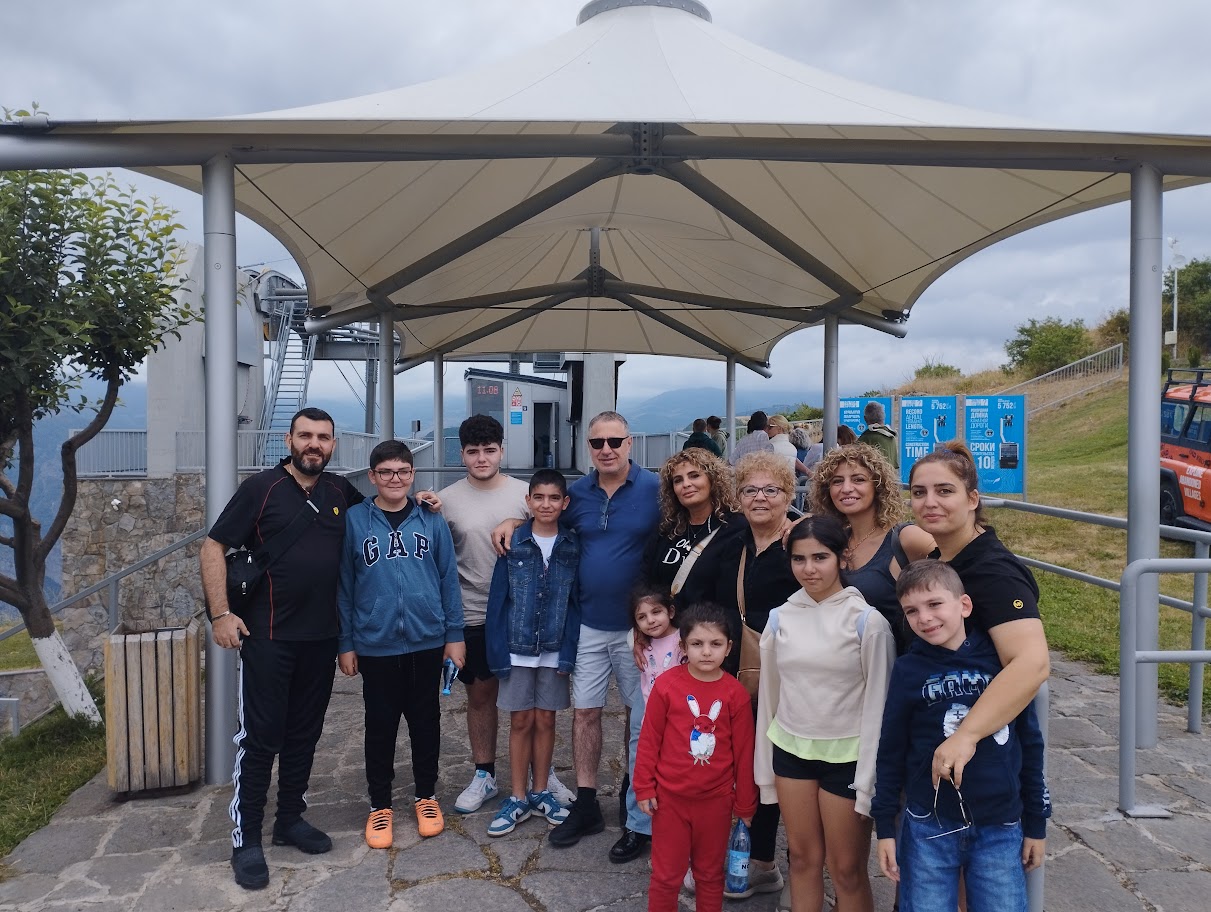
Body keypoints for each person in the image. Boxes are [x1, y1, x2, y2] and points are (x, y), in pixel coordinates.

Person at [200, 407, 363, 891]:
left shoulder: (339, 491)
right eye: (306, 435)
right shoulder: (261, 489)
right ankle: (246, 839)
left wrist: (423, 502)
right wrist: (220, 613)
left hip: (321, 638)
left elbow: (380, 516)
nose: (315, 444)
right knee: (261, 737)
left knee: (305, 735)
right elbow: (213, 547)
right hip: (267, 636)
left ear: (334, 444)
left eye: (324, 437)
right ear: (290, 439)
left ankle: (289, 819)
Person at [495, 411, 660, 863]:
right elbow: (543, 516)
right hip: (586, 623)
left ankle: (637, 810)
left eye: (614, 440)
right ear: (588, 446)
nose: (605, 449)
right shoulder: (579, 494)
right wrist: (513, 522)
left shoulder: (656, 488)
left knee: (638, 716)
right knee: (584, 714)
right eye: (597, 442)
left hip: (638, 629)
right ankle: (586, 803)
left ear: (630, 442)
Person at [873, 561, 1050, 912]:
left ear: (964, 605)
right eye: (912, 610)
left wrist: (1037, 823)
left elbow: (1030, 745)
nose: (924, 617)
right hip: (929, 826)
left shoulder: (1002, 665)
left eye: (935, 604)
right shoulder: (909, 670)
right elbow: (891, 750)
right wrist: (885, 829)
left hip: (1000, 825)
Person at [755, 516, 895, 912]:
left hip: (847, 760)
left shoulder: (867, 623)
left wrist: (869, 781)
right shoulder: (780, 617)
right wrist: (764, 771)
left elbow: (879, 707)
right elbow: (771, 696)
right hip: (792, 753)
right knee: (801, 859)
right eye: (799, 559)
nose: (809, 569)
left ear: (842, 558)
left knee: (847, 869)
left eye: (820, 557)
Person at [439, 415, 572, 814]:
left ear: (502, 450)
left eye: (489, 449)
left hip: (529, 618)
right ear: (461, 453)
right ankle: (484, 773)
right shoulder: (445, 500)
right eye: (473, 451)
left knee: (534, 705)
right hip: (474, 612)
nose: (482, 458)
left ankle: (541, 776)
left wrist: (518, 518)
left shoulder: (525, 494)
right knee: (480, 696)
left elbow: (553, 522)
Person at [337, 440, 464, 848]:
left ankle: (425, 796)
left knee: (426, 723)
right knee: (380, 726)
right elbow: (344, 586)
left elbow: (448, 579)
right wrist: (346, 642)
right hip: (376, 644)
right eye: (386, 472)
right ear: (372, 476)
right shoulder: (356, 521)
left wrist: (454, 636)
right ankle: (380, 805)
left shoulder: (430, 519)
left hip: (427, 641)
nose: (395, 479)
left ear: (413, 475)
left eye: (403, 472)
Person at [908, 441, 1050, 789]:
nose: (930, 502)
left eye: (944, 491)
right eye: (918, 492)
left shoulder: (994, 572)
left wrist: (965, 735)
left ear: (972, 500)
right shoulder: (942, 561)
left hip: (976, 756)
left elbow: (1032, 663)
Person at [693, 451, 800, 901]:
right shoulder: (734, 540)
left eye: (770, 490)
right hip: (738, 672)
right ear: (737, 498)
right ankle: (746, 855)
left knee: (776, 767)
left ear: (788, 496)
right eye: (750, 490)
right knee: (742, 764)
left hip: (791, 675)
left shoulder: (801, 539)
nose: (760, 498)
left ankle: (767, 863)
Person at [634, 602, 758, 912]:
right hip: (670, 801)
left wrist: (745, 803)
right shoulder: (667, 686)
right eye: (697, 644)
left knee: (710, 875)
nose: (706, 652)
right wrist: (644, 787)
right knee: (666, 876)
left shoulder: (735, 694)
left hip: (715, 803)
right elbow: (649, 739)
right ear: (683, 646)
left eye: (715, 644)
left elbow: (744, 753)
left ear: (728, 648)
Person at [483, 468, 580, 837]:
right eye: (538, 497)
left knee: (546, 720)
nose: (546, 504)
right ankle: (518, 794)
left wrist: (569, 650)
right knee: (520, 721)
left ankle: (541, 791)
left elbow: (574, 604)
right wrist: (496, 651)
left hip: (554, 649)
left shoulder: (572, 546)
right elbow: (497, 601)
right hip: (517, 648)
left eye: (554, 498)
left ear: (564, 503)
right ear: (528, 502)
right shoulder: (513, 544)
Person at [810, 443, 935, 654]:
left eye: (858, 479)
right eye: (837, 481)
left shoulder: (905, 538)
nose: (846, 488)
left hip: (897, 669)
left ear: (878, 487)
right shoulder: (834, 543)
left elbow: (957, 571)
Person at [642, 449, 743, 611]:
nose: (686, 484)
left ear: (712, 479)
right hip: (665, 630)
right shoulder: (667, 528)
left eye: (694, 475)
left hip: (707, 631)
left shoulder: (736, 527)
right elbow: (646, 577)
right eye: (677, 480)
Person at [630, 585, 685, 700]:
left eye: (656, 612)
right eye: (642, 617)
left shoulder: (685, 641)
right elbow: (646, 687)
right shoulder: (643, 645)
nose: (650, 620)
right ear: (637, 626)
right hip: (653, 712)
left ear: (671, 612)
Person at [857, 402, 898, 470]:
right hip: (890, 478)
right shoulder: (891, 436)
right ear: (883, 416)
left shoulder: (866, 437)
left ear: (865, 418)